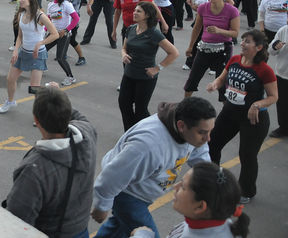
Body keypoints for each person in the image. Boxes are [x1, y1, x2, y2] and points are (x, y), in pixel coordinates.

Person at [91, 97, 217, 238]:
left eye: (210, 131)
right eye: (202, 132)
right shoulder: (148, 145)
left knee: (119, 227)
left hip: (144, 195)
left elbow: (200, 153)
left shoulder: (191, 133)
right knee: (148, 234)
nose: (208, 138)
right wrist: (102, 206)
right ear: (181, 126)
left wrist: (213, 180)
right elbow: (113, 176)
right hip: (129, 195)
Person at [3, 85, 97, 238]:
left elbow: (17, 223)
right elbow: (78, 117)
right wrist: (58, 98)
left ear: (36, 120)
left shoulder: (33, 170)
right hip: (80, 229)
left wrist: (52, 99)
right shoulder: (87, 133)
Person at [206, 29, 278, 204]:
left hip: (253, 119)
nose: (243, 44)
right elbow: (221, 79)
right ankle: (213, 179)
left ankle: (246, 191)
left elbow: (273, 97)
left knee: (247, 155)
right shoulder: (235, 60)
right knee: (212, 144)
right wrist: (215, 84)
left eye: (248, 41)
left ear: (258, 47)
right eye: (243, 40)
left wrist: (257, 105)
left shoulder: (264, 70)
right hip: (230, 112)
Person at [131, 162, 251, 238]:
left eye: (183, 187)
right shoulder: (224, 224)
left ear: (200, 206)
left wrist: (143, 235)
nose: (175, 186)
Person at [119, 1, 179, 131]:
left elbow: (174, 53)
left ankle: (152, 132)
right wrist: (124, 55)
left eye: (138, 11)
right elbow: (124, 48)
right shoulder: (131, 29)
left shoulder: (154, 33)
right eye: (135, 10)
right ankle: (130, 133)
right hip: (129, 74)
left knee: (140, 110)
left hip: (145, 77)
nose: (134, 13)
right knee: (124, 104)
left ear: (147, 15)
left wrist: (157, 68)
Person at [0, 0, 60, 113]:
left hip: (38, 54)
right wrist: (16, 50)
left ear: (30, 0)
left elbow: (55, 34)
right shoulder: (21, 14)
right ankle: (10, 101)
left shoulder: (40, 16)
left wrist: (40, 43)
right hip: (23, 52)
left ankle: (39, 114)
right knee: (10, 79)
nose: (20, 0)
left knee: (34, 88)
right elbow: (20, 36)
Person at [184, 0, 240, 98]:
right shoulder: (203, 8)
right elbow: (197, 28)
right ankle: (184, 105)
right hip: (204, 48)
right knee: (192, 80)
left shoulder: (232, 10)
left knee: (222, 84)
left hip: (223, 50)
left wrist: (219, 31)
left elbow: (235, 33)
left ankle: (225, 107)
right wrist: (190, 46)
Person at [46, 0, 81, 87]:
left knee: (60, 58)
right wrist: (44, 30)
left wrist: (66, 30)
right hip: (53, 33)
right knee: (41, 50)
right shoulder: (50, 4)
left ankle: (70, 77)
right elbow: (48, 20)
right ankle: (41, 67)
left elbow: (76, 19)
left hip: (64, 35)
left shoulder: (66, 4)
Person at [64, 0, 90, 66]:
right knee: (64, 37)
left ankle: (82, 58)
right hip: (65, 19)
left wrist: (89, 6)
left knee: (72, 40)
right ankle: (63, 54)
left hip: (74, 19)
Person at [268, 24, 288, 138]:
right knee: (282, 104)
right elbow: (271, 50)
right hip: (282, 74)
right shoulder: (283, 30)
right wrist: (275, 46)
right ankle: (284, 128)